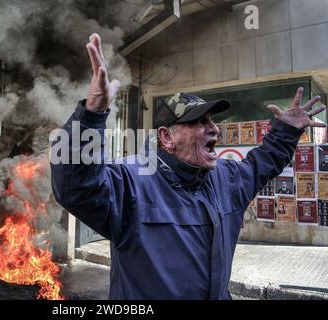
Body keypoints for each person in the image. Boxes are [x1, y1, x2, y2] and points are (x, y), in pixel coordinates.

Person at [50, 33, 327, 299]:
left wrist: (287, 131)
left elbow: (263, 163)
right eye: (199, 122)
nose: (214, 129)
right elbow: (75, 188)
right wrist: (90, 115)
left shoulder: (226, 178)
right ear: (166, 137)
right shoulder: (131, 182)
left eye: (212, 121)